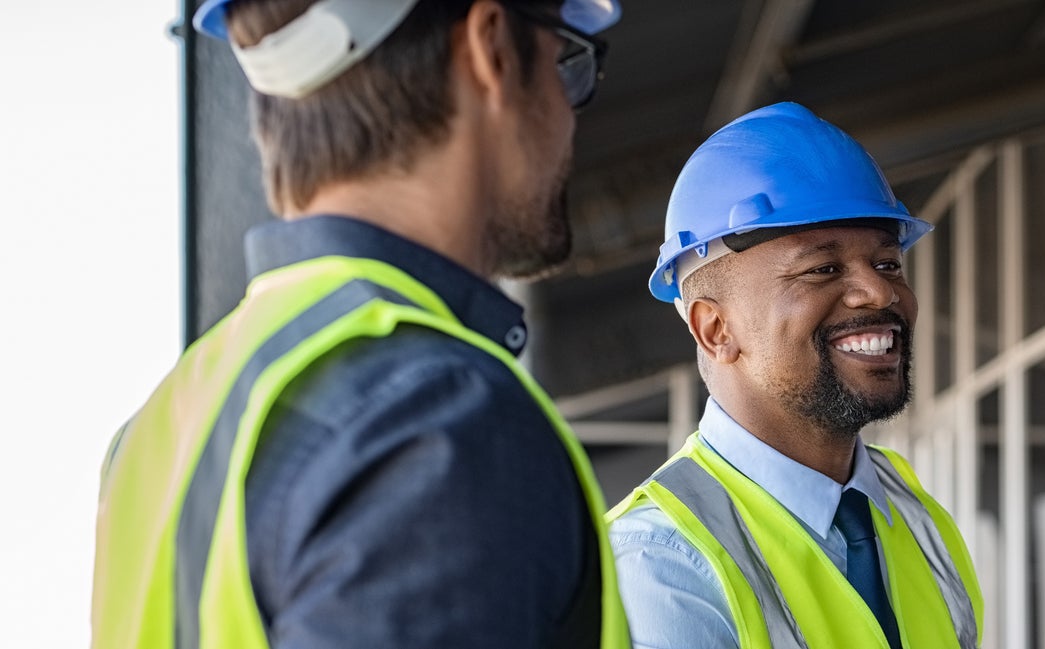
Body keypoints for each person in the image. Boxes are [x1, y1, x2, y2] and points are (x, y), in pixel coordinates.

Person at [92, 1, 630, 647]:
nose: (569, 115)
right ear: (491, 49)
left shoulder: (165, 421)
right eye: (563, 59)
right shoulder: (436, 418)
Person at [604, 102, 984, 649]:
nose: (880, 293)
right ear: (715, 329)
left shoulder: (915, 515)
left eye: (887, 263)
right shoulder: (660, 566)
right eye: (823, 269)